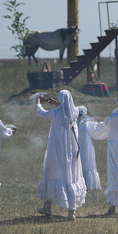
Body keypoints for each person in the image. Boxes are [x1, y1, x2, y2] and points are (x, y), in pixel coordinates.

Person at [36, 90, 86, 221]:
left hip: (57, 151)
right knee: (71, 177)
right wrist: (58, 104)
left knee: (52, 174)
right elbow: (77, 109)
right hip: (71, 152)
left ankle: (47, 207)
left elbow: (41, 112)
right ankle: (71, 212)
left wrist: (38, 103)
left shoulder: (56, 114)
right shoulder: (75, 112)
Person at [87, 93, 118, 216]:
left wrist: (88, 124)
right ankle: (113, 206)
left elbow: (101, 128)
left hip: (115, 152)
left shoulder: (114, 117)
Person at [77, 106, 101, 191]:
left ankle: (83, 182)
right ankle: (88, 182)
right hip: (87, 147)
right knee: (87, 161)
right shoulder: (88, 123)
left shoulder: (78, 123)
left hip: (82, 146)